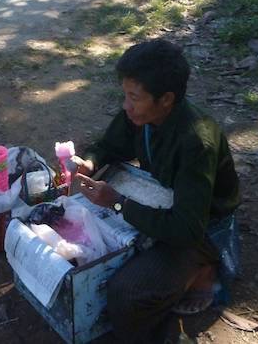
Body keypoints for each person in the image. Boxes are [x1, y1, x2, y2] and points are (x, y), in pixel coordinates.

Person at [72, 39, 240, 343]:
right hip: (166, 198)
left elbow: (187, 228)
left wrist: (119, 203)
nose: (126, 105)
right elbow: (110, 146)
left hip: (203, 225)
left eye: (134, 97)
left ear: (166, 99)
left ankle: (204, 267)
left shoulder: (196, 143)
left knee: (127, 293)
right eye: (125, 95)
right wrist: (89, 161)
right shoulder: (140, 115)